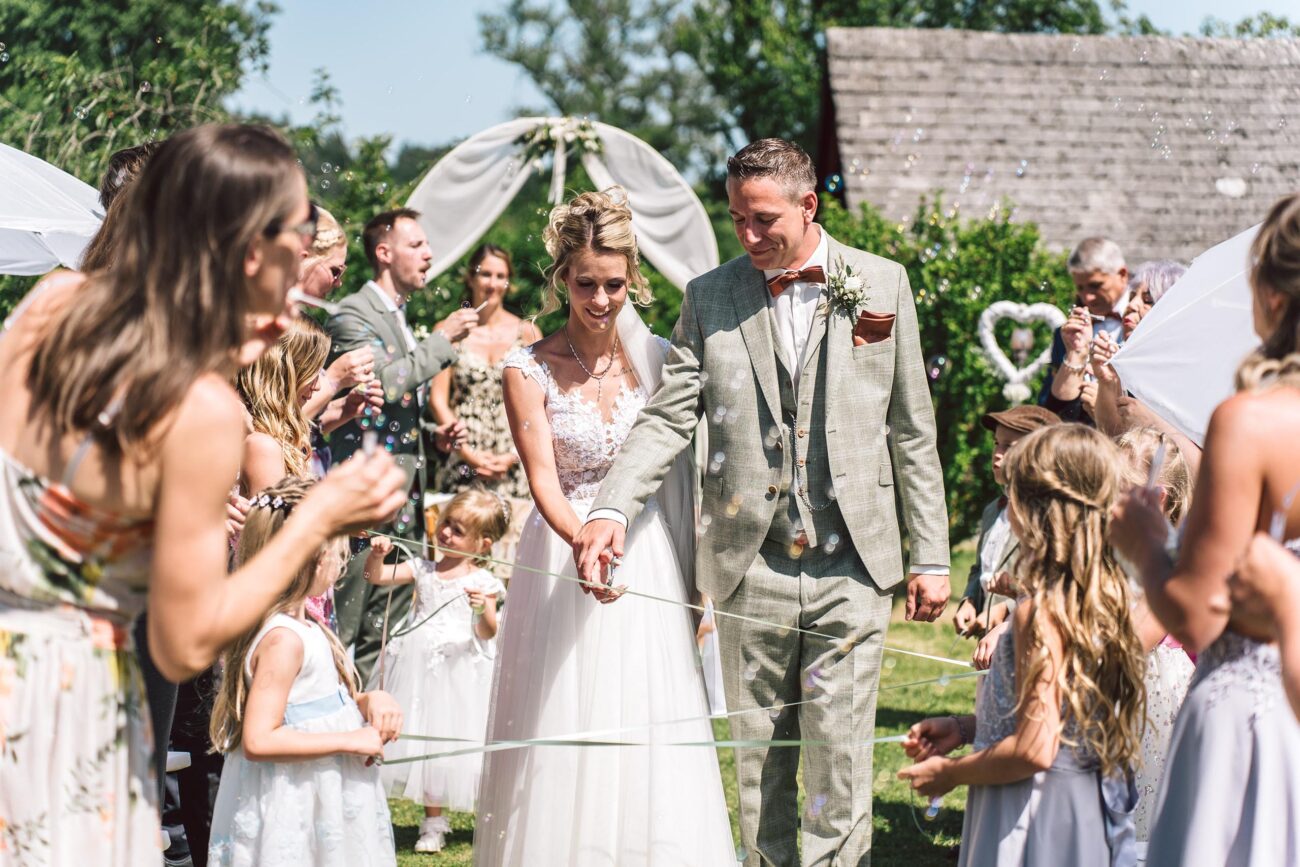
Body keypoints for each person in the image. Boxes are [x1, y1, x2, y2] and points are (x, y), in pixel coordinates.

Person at [0, 123, 407, 865]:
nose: (292, 311)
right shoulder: (202, 407)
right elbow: (189, 639)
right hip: (86, 695)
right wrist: (318, 511)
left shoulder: (50, 310)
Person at [574, 139, 951, 866]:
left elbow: (912, 429)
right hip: (752, 562)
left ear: (809, 206)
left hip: (857, 564)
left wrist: (931, 554)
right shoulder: (710, 296)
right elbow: (667, 417)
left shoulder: (881, 283)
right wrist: (611, 507)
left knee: (838, 761)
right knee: (758, 763)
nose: (747, 236)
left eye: (763, 219)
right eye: (736, 220)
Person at [474, 188, 735, 864]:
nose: (599, 299)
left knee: (648, 705)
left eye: (614, 284)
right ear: (560, 277)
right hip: (567, 551)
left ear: (633, 280)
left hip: (646, 548)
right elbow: (542, 482)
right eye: (585, 283)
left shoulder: (656, 359)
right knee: (565, 709)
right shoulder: (526, 367)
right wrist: (584, 542)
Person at [1110, 192, 1300, 866]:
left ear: (1272, 295)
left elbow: (1195, 610)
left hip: (1256, 715)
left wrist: (1147, 545)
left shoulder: (1252, 422)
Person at [899, 424, 1143, 866]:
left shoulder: (1039, 613)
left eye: (1013, 492)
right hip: (1078, 807)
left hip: (1030, 811)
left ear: (1034, 509)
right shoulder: (1101, 597)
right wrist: (966, 728)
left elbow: (1034, 748)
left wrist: (950, 773)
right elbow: (1057, 715)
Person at [207, 478, 401, 867]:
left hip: (319, 794)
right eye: (337, 545)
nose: (343, 556)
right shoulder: (284, 639)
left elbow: (318, 705)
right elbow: (259, 740)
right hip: (292, 799)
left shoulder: (309, 626)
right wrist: (351, 740)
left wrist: (369, 700)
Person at [325, 207, 479, 680]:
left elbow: (389, 410)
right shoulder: (353, 313)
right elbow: (385, 383)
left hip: (401, 498)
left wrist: (434, 438)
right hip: (361, 500)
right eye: (417, 245)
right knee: (345, 625)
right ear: (384, 253)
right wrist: (442, 339)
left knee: (388, 630)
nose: (430, 254)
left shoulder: (399, 316)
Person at [363, 489, 508, 853]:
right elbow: (377, 578)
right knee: (425, 744)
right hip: (418, 671)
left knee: (455, 747)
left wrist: (480, 609)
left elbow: (488, 632)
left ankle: (491, 818)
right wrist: (378, 555)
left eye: (457, 530)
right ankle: (432, 823)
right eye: (445, 523)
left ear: (482, 543)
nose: (444, 533)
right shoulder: (424, 569)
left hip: (459, 671)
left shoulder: (483, 582)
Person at [431, 244, 541, 575]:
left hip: (513, 461)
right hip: (464, 461)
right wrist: (468, 454)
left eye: (501, 276)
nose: (493, 283)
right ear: (472, 277)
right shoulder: (449, 330)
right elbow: (439, 399)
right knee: (459, 562)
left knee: (511, 562)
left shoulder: (528, 332)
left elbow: (540, 405)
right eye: (486, 274)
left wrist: (513, 455)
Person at [1114, 428, 1195, 854]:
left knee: (1142, 818)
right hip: (1117, 690)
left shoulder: (1171, 561)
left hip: (1149, 699)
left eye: (1118, 490)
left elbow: (1134, 640)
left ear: (1156, 498)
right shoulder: (1116, 549)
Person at [954, 405, 1060, 640]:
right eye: (996, 443)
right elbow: (980, 568)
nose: (997, 453)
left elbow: (1049, 583)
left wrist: (1006, 608)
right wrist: (970, 600)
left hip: (1028, 633)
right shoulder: (993, 509)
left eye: (1009, 447)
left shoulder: (1047, 517)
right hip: (988, 640)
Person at [1040, 237, 1130, 422]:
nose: (1087, 297)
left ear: (1122, 274)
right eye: (1080, 288)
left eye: (1096, 285)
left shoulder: (1146, 320)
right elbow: (1049, 410)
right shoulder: (1067, 334)